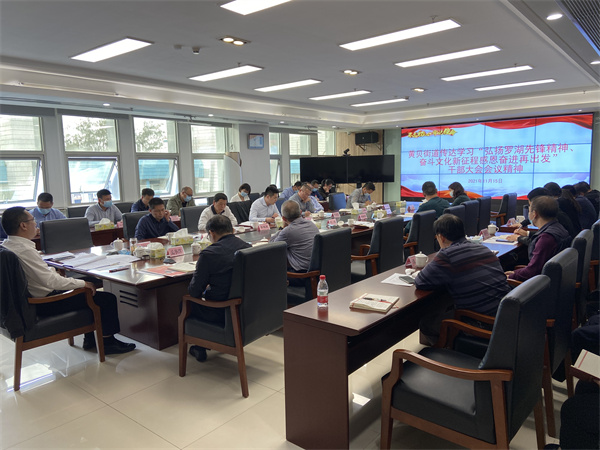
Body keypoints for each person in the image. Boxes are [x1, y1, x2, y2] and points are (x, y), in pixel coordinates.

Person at [1, 207, 135, 354]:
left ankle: (91, 340)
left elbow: (43, 276)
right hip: (46, 302)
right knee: (106, 298)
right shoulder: (24, 250)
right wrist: (82, 284)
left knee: (88, 283)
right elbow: (50, 282)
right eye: (33, 220)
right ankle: (108, 342)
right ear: (23, 225)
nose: (36, 224)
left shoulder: (7, 246)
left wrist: (71, 280)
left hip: (32, 298)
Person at [414, 214, 510, 345]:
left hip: (483, 324)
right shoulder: (482, 247)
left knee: (427, 323)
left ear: (441, 237)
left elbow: (420, 281)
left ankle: (447, 353)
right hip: (505, 316)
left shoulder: (447, 255)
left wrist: (440, 254)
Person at [187, 215, 251, 362]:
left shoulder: (209, 254)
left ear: (212, 233)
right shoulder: (246, 247)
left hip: (219, 310)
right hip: (244, 307)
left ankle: (200, 346)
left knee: (186, 304)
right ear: (232, 229)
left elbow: (194, 291)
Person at [506, 195, 570, 282]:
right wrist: (515, 273)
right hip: (554, 279)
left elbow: (532, 271)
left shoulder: (546, 238)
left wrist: (512, 275)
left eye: (529, 211)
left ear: (534, 214)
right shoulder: (559, 228)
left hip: (541, 284)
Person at [508, 187, 578, 243]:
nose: (530, 211)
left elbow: (542, 241)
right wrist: (525, 230)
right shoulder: (555, 213)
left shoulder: (555, 220)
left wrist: (519, 238)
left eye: (531, 206)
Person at [270, 200, 318, 273]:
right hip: (316, 269)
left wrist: (282, 229)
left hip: (301, 273)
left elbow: (272, 247)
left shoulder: (288, 231)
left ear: (283, 218)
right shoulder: (311, 224)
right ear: (301, 212)